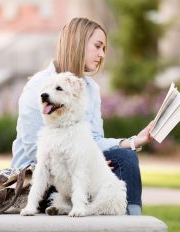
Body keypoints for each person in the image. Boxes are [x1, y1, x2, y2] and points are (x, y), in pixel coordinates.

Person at [11, 17, 154, 215]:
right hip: (39, 176)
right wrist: (82, 163)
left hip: (76, 165)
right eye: (97, 46)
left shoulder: (90, 89)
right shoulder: (39, 85)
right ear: (78, 43)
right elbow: (32, 148)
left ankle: (134, 222)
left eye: (103, 48)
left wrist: (132, 141)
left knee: (126, 158)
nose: (102, 54)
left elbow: (93, 140)